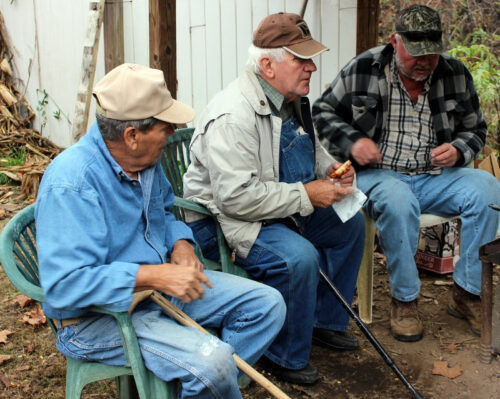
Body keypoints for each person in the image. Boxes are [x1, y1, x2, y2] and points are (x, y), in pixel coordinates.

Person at [35, 63, 286, 398]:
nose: (173, 133)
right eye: (166, 127)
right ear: (132, 136)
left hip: (155, 293)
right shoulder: (73, 184)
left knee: (267, 305)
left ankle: (203, 384)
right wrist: (154, 275)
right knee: (214, 362)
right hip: (97, 319)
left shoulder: (144, 163)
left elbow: (164, 212)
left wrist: (181, 244)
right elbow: (65, 285)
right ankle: (208, 374)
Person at [183, 13, 365, 385]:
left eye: (310, 58)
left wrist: (333, 169)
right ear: (267, 64)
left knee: (350, 222)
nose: (312, 67)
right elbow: (236, 200)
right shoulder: (233, 116)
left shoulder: (291, 99)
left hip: (279, 205)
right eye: (301, 60)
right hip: (224, 222)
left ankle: (323, 321)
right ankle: (283, 355)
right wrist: (306, 194)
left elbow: (309, 153)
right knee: (299, 257)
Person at [312, 4, 500, 343]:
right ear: (394, 42)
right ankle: (405, 299)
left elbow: (476, 129)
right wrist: (353, 142)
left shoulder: (455, 73)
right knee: (398, 200)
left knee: (486, 189)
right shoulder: (363, 69)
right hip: (378, 174)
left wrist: (459, 149)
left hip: (434, 177)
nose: (424, 61)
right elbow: (322, 113)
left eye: (431, 53)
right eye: (415, 54)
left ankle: (468, 292)